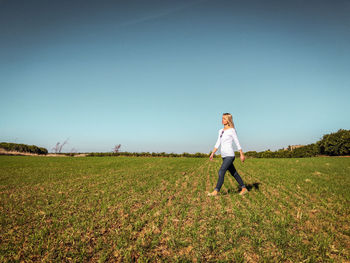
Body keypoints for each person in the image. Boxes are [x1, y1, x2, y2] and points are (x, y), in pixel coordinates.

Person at [208, 113, 248, 196]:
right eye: (222, 118)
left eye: (224, 119)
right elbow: (218, 142)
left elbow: (237, 142)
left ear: (228, 120)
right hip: (224, 155)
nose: (222, 120)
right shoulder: (220, 131)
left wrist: (241, 154)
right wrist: (212, 153)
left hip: (230, 155)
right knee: (234, 173)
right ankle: (244, 188)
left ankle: (216, 191)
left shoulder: (232, 130)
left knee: (221, 171)